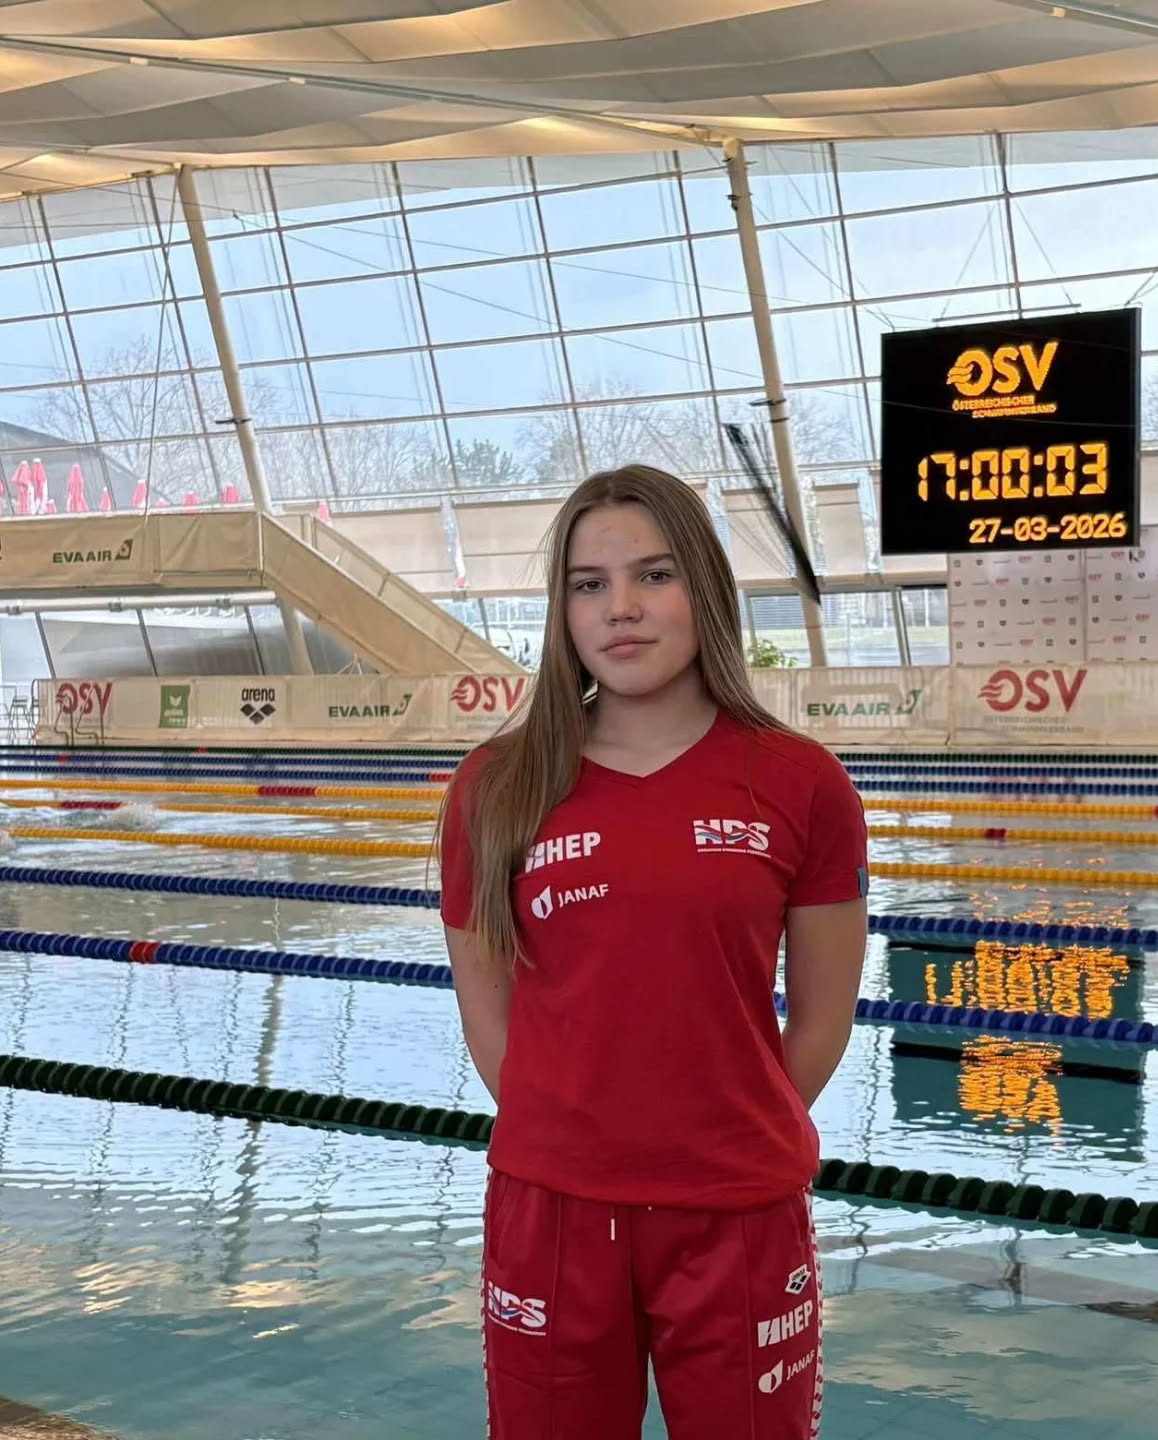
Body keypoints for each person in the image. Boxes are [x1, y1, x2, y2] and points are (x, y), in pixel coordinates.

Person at [439, 464, 869, 1439]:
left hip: (737, 1211)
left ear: (704, 590)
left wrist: (717, 1135)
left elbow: (823, 1020)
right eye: (588, 584)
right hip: (552, 1212)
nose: (620, 609)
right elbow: (487, 1015)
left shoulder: (801, 784)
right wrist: (579, 1134)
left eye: (654, 575)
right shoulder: (497, 787)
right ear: (562, 612)